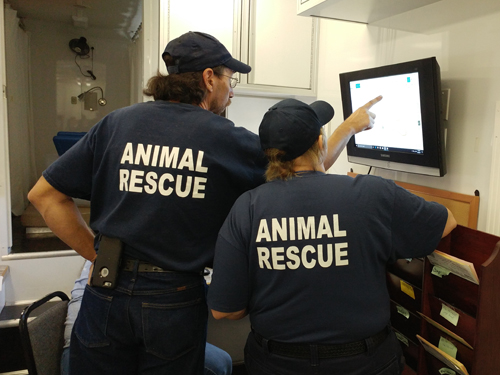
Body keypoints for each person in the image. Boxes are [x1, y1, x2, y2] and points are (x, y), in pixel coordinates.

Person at [28, 29, 381, 374]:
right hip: (173, 298)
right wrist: (348, 127)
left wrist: (100, 257)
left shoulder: (116, 124)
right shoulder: (226, 140)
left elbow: (44, 196)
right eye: (231, 80)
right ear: (209, 79)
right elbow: (305, 167)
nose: (231, 92)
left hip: (104, 293)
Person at [207, 98, 458, 375]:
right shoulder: (371, 195)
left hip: (277, 362)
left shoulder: (248, 207)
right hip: (364, 363)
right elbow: (446, 222)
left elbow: (224, 311)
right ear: (320, 141)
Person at [60, 260, 232, 375]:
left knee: (220, 361)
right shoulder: (108, 250)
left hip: (96, 323)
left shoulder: (105, 246)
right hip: (87, 339)